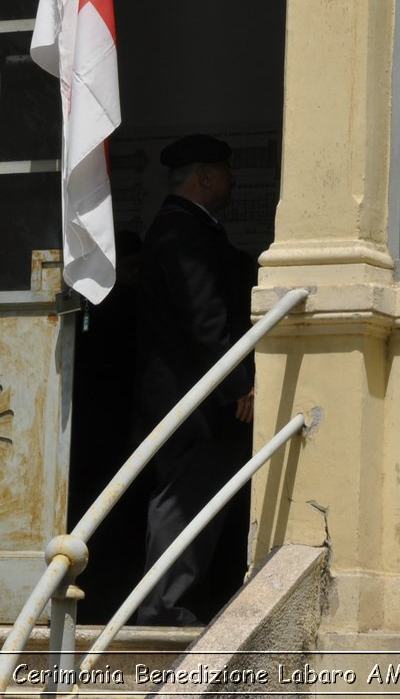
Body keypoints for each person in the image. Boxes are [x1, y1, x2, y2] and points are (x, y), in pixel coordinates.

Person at [132, 133, 255, 625]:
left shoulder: (186, 227)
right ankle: (158, 610)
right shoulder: (183, 233)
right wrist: (238, 382)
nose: (232, 182)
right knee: (185, 497)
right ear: (205, 177)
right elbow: (206, 321)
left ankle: (168, 604)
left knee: (198, 496)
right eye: (225, 172)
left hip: (190, 395)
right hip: (193, 400)